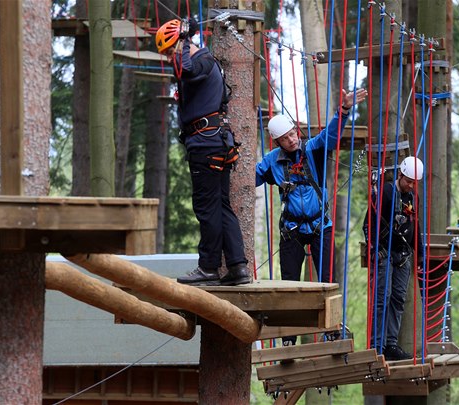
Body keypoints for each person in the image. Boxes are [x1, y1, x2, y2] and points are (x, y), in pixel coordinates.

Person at [256, 88, 367, 345]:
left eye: (293, 134)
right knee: (290, 285)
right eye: (285, 138)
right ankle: (288, 336)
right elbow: (251, 178)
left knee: (327, 282)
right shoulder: (272, 162)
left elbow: (330, 134)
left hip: (320, 226)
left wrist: (344, 111)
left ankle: (331, 329)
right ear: (278, 142)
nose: (292, 140)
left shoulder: (312, 149)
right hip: (292, 230)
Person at [156, 18, 250, 286]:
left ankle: (208, 267)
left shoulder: (200, 61)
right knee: (221, 205)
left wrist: (184, 40)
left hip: (206, 144)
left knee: (206, 208)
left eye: (170, 50)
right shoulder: (204, 64)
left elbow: (185, 69)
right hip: (214, 141)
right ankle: (237, 266)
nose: (171, 58)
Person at [363, 156, 424, 361]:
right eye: (408, 181)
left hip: (403, 253)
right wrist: (373, 248)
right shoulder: (386, 192)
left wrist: (420, 253)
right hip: (384, 251)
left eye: (415, 182)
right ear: (400, 175)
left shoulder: (412, 197)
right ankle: (376, 345)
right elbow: (369, 222)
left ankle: (390, 344)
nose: (411, 185)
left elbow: (415, 226)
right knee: (383, 297)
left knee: (398, 299)